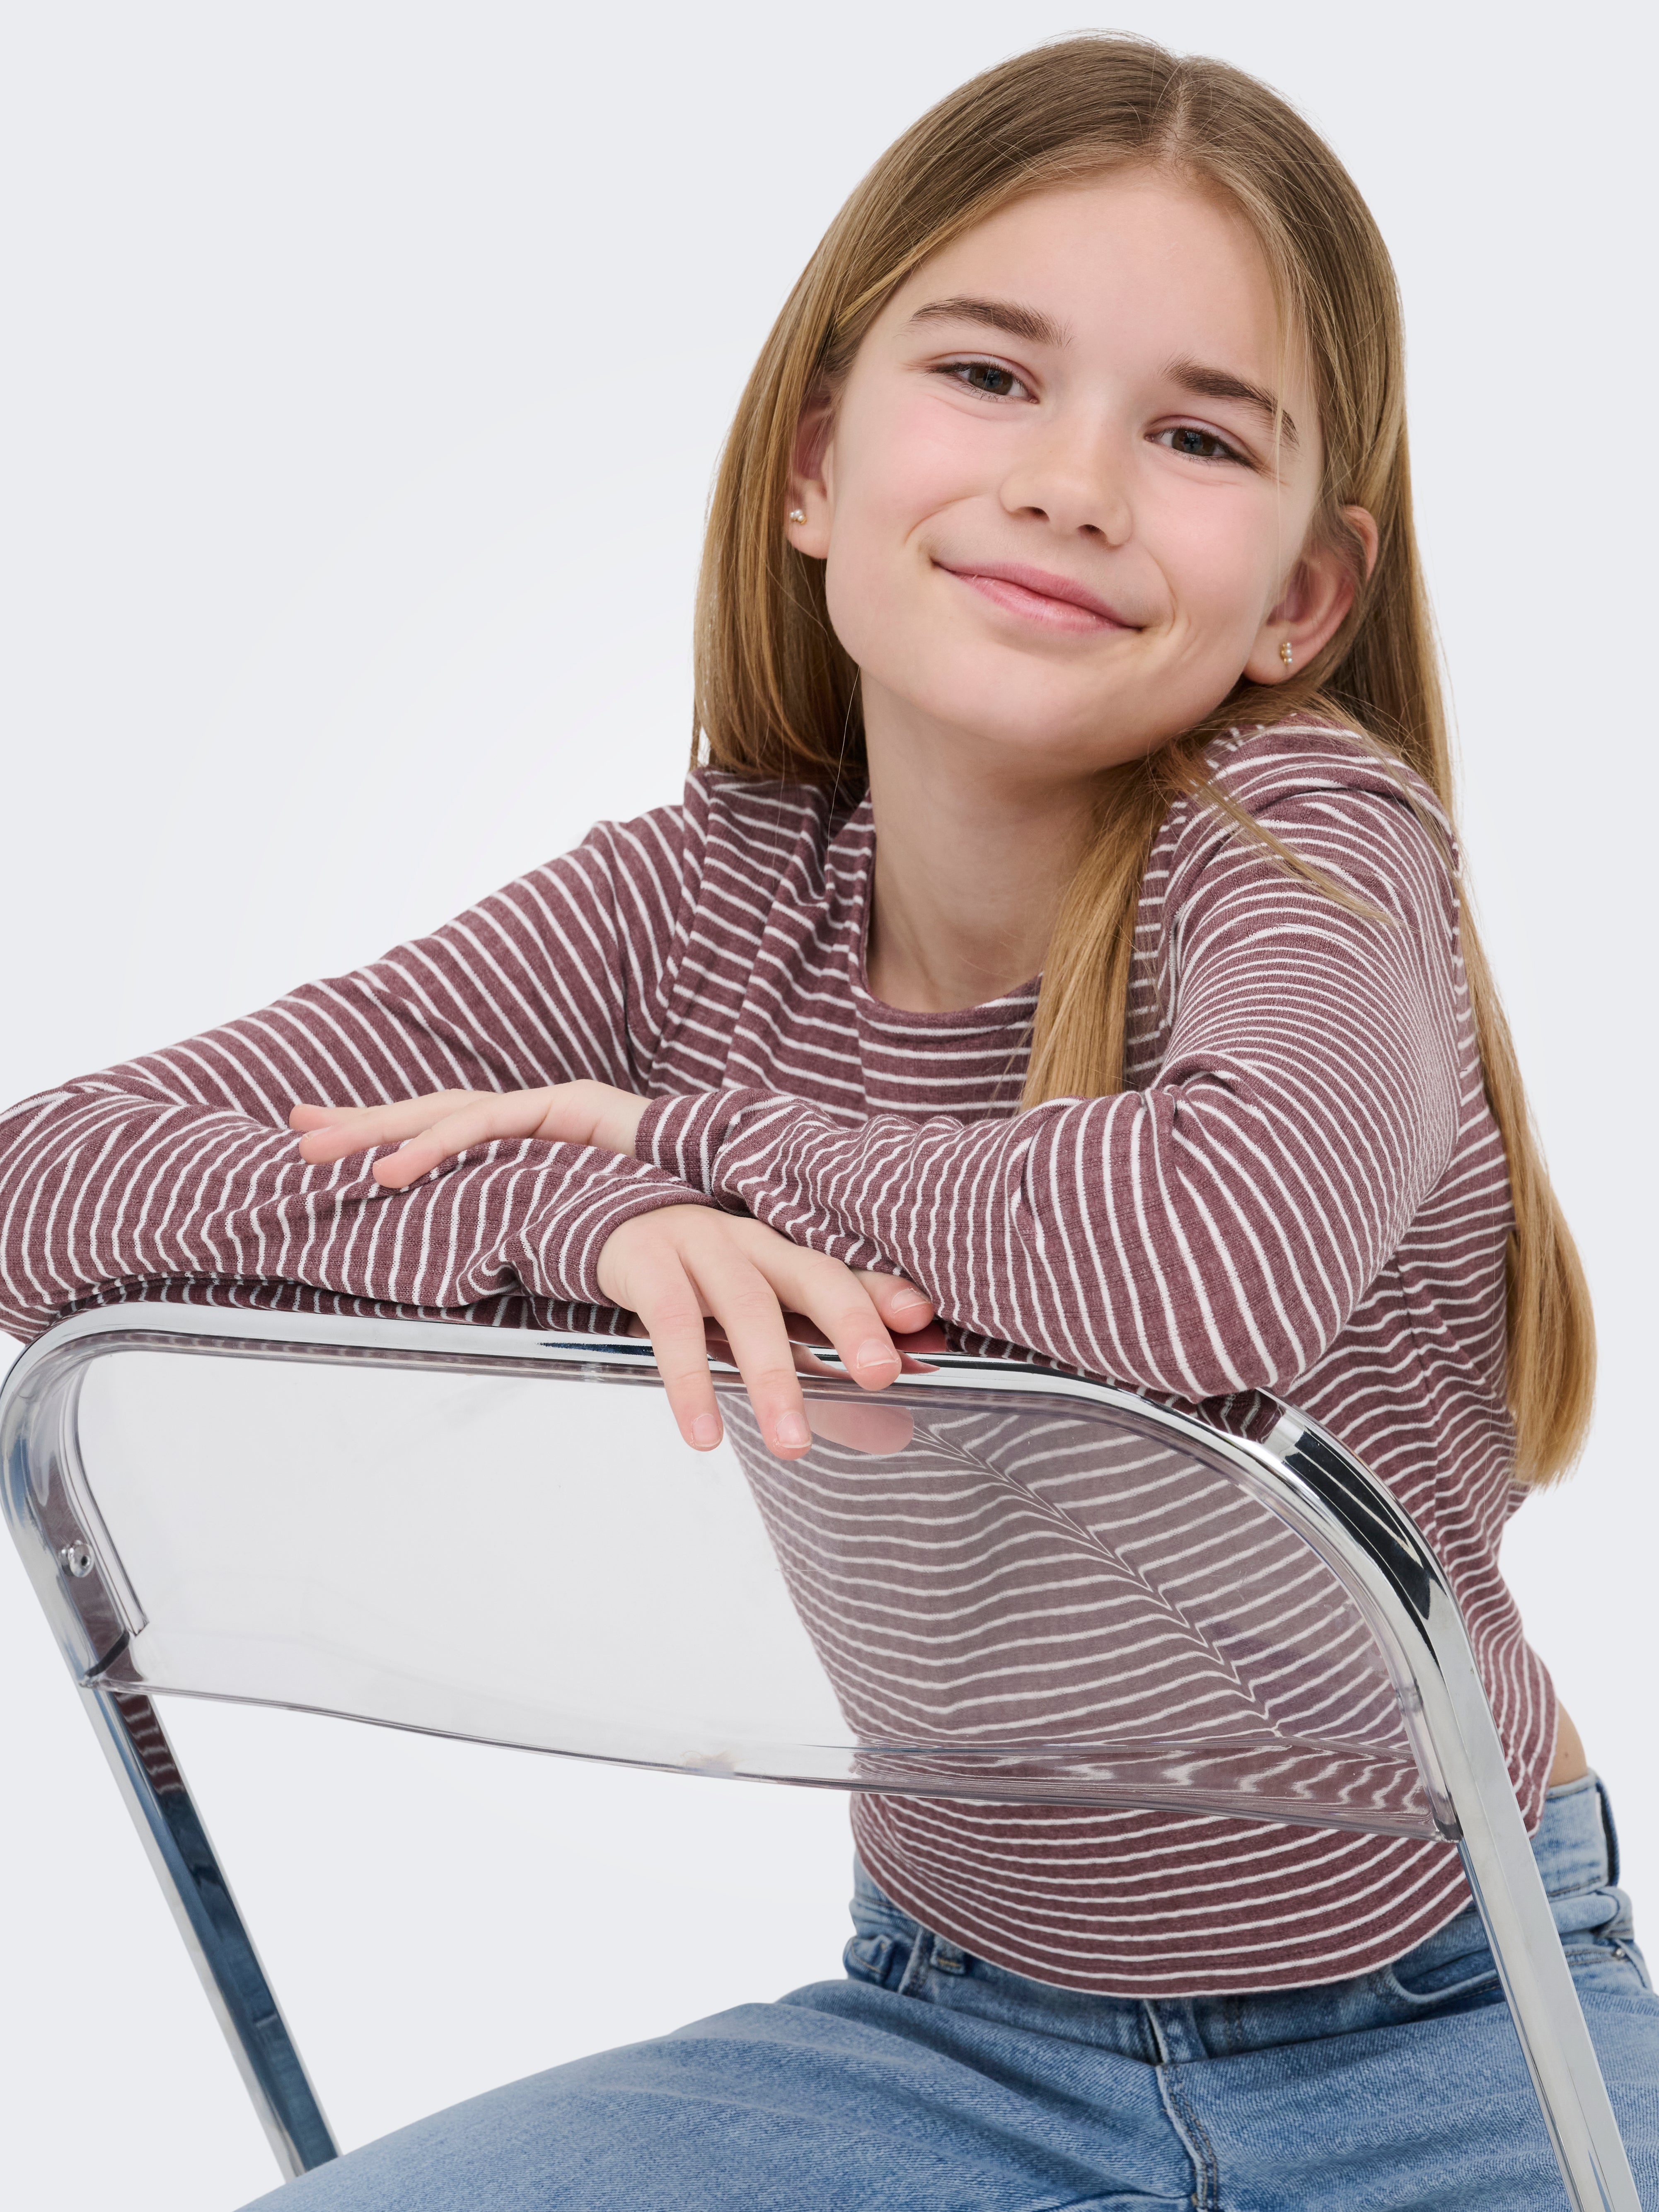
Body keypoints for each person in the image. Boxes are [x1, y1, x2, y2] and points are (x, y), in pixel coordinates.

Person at [2, 32, 1654, 2207]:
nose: (1071, 482)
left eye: (1192, 434)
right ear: (811, 465)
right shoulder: (702, 902)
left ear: (1301, 600)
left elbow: (1216, 1251)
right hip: (951, 2041)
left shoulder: (1309, 838)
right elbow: (44, 1181)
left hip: (1458, 2033)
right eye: (987, 375)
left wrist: (681, 1141)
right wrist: (580, 1215)